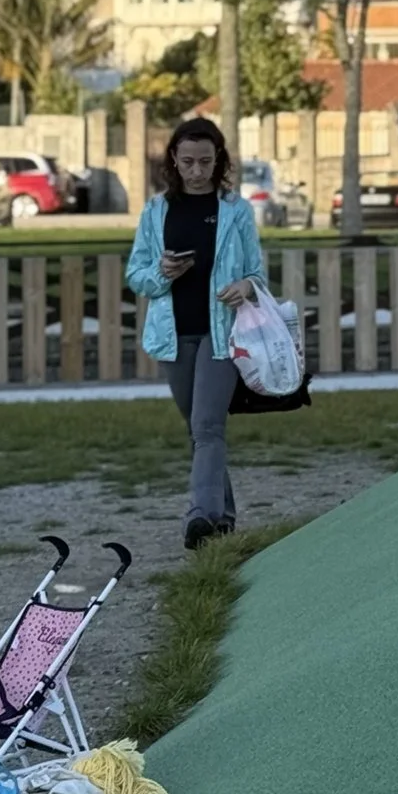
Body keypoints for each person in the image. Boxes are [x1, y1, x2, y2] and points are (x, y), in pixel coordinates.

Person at [126, 116, 268, 549]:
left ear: (218, 160)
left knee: (208, 428)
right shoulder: (156, 212)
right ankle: (222, 518)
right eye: (187, 161)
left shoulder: (235, 211)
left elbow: (257, 274)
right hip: (173, 338)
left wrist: (246, 286)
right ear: (174, 159)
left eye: (205, 161)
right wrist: (162, 272)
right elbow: (137, 276)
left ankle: (200, 517)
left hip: (223, 335)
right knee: (200, 431)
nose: (196, 170)